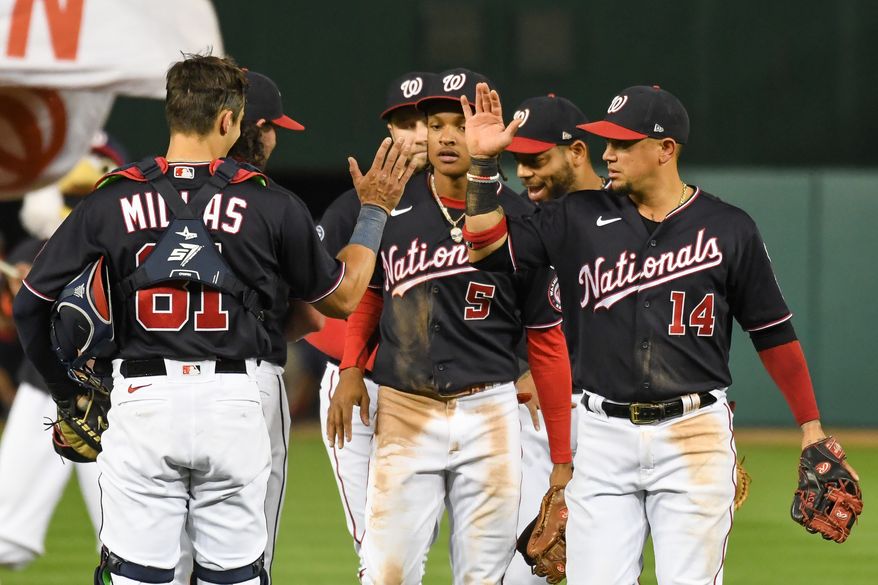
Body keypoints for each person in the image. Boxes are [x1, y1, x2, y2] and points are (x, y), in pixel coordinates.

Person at [13, 53, 415, 585]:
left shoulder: (111, 197)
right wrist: (374, 212)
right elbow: (340, 299)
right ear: (230, 120)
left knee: (139, 576)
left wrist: (68, 397)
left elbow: (28, 304)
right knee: (235, 575)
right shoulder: (272, 203)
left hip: (142, 401)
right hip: (237, 401)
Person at [461, 82, 860, 584]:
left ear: (665, 149)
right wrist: (480, 168)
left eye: (624, 144)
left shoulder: (728, 228)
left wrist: (810, 426)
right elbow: (484, 248)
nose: (609, 155)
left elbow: (773, 333)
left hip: (692, 434)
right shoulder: (575, 218)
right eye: (607, 142)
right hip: (603, 438)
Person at [326, 68, 573, 585]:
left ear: (487, 131)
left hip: (489, 410)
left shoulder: (523, 219)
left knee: (484, 577)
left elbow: (547, 341)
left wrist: (560, 455)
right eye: (434, 124)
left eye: (458, 124)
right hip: (405, 407)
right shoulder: (393, 207)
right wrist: (350, 368)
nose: (444, 136)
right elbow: (370, 294)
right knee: (384, 573)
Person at [165, 69, 309, 585]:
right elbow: (317, 311)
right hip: (246, 384)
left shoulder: (147, 194)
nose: (274, 139)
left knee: (159, 557)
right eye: (273, 128)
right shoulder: (270, 203)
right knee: (245, 556)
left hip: (146, 386)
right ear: (251, 126)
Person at [307, 71, 436, 562]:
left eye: (427, 121)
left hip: (451, 390)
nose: (419, 134)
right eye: (405, 123)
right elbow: (318, 306)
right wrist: (351, 367)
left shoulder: (475, 206)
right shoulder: (351, 209)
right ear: (390, 135)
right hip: (363, 386)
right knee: (379, 550)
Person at [0, 140, 126, 571]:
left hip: (114, 398)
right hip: (44, 392)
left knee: (129, 540)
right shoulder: (29, 252)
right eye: (71, 199)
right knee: (4, 536)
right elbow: (15, 325)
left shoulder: (125, 248)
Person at [500, 93, 605, 585]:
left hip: (614, 417)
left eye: (537, 159)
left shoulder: (629, 217)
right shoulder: (521, 224)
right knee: (526, 566)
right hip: (537, 414)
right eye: (518, 160)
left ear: (577, 152)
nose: (523, 172)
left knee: (602, 568)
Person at [507, 94, 606, 203]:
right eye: (518, 161)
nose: (521, 173)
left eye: (535, 161)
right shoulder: (520, 213)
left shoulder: (624, 205)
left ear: (577, 152)